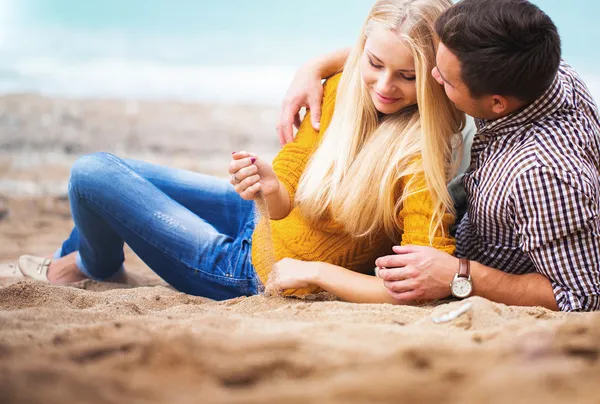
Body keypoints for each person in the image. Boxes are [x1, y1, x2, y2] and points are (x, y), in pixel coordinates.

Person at [8, 0, 466, 304]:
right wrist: (269, 184)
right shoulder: (341, 88)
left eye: (407, 76)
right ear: (360, 52)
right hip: (263, 220)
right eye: (374, 64)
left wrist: (319, 274)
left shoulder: (416, 159)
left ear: (433, 76)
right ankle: (82, 260)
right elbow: (284, 194)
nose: (384, 87)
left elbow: (418, 284)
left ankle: (90, 265)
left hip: (246, 270)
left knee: (92, 174)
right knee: (113, 171)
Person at [279, 0, 600, 311]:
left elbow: (584, 295)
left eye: (443, 79)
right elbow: (404, 48)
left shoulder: (542, 175)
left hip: (469, 263)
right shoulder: (534, 70)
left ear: (496, 103)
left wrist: (460, 274)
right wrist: (315, 66)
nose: (431, 79)